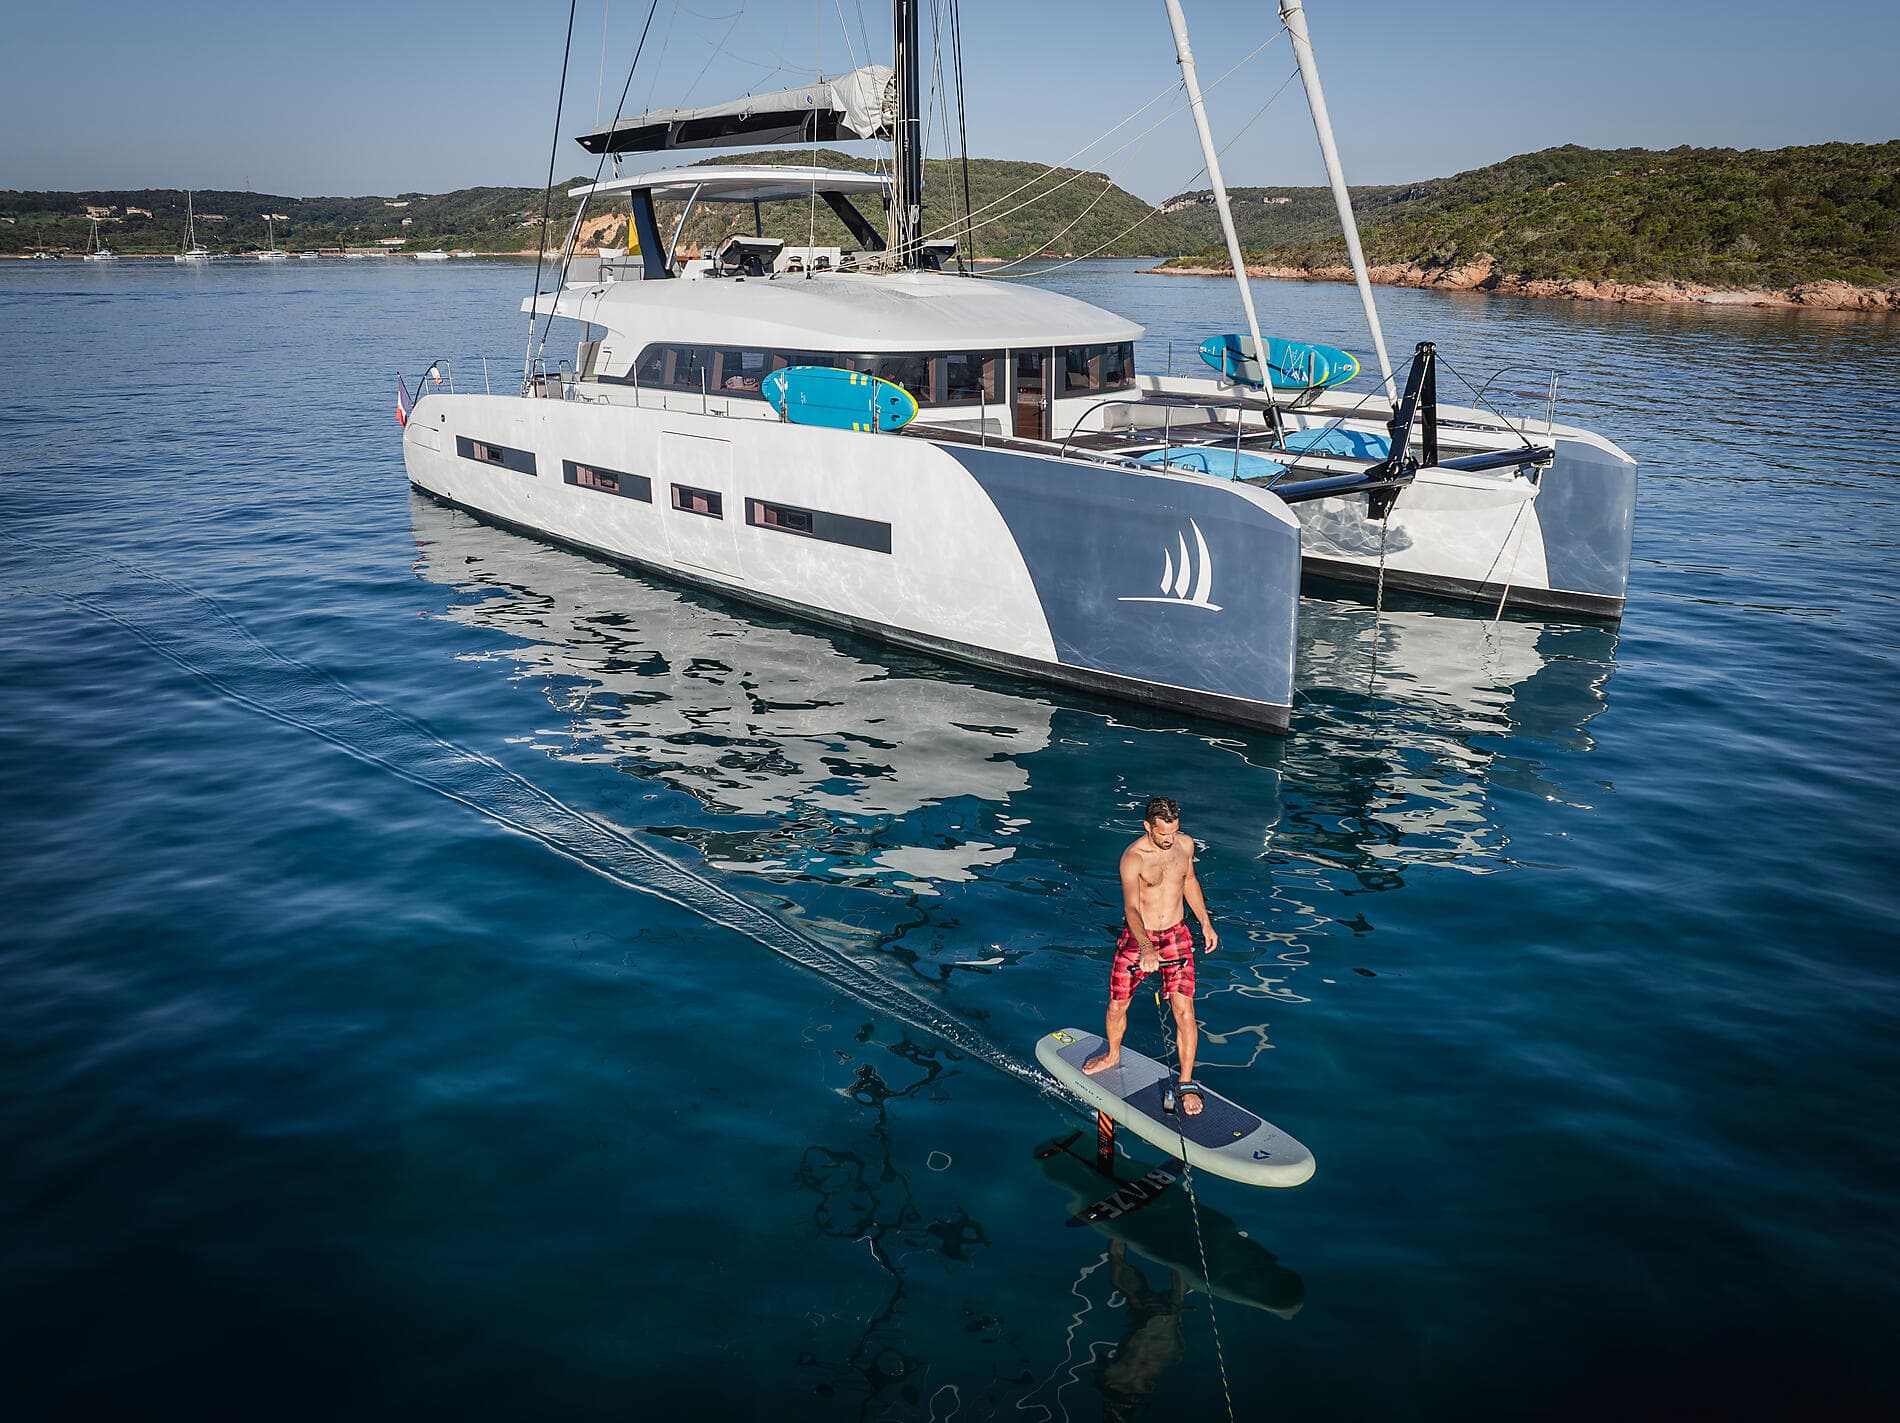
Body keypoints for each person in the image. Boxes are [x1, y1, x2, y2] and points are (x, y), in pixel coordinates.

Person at [1083, 797, 1218, 1114]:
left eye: (1174, 832)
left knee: (1184, 1011)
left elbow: (1190, 881)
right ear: (1147, 827)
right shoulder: (1133, 858)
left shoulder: (1184, 845)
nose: (1170, 840)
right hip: (1138, 937)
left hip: (1176, 934)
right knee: (1117, 1005)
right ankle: (1113, 1053)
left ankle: (1186, 1083)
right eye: (1163, 835)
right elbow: (1130, 907)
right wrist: (1145, 947)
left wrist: (1206, 924)